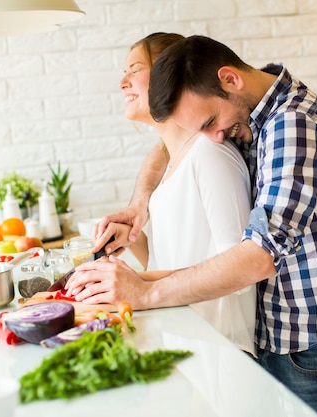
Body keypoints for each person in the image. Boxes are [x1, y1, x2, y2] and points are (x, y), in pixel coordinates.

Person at [67, 35, 317, 417]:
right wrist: (139, 204)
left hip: (315, 342)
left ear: (230, 79)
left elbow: (257, 258)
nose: (214, 137)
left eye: (211, 122)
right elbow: (170, 146)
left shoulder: (293, 124)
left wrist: (145, 292)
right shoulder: (251, 113)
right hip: (282, 337)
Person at [101, 32, 256, 355]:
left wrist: (139, 286)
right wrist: (132, 239)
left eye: (134, 68)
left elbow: (239, 268)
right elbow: (173, 258)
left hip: (222, 349)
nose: (122, 81)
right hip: (188, 340)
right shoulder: (172, 164)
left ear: (166, 74)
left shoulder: (211, 155)